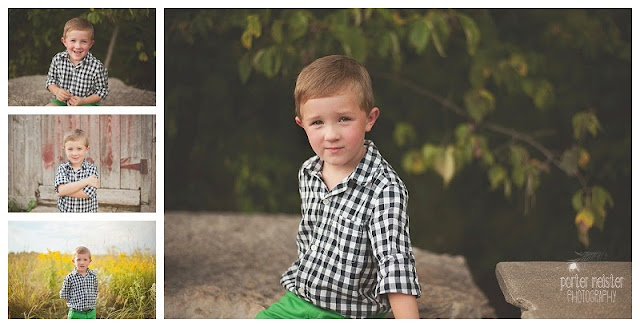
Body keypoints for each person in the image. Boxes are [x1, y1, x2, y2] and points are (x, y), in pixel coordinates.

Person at [256, 55, 421, 319]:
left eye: (344, 119)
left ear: (369, 118)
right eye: (317, 122)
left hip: (350, 312)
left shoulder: (383, 188)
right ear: (302, 125)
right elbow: (309, 239)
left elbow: (394, 263)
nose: (331, 134)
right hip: (300, 300)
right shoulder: (309, 172)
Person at [45, 17, 109, 106]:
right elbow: (50, 81)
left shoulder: (97, 66)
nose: (78, 46)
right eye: (73, 41)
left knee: (85, 117)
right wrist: (57, 91)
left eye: (84, 42)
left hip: (87, 103)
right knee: (49, 109)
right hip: (62, 102)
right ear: (64, 41)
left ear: (91, 44)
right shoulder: (58, 59)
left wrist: (84, 101)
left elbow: (102, 91)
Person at [55, 129, 99, 212]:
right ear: (64, 150)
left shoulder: (92, 168)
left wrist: (64, 191)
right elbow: (61, 190)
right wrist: (86, 181)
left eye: (79, 148)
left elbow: (86, 194)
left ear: (86, 149)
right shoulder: (62, 168)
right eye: (70, 149)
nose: (74, 153)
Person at [60, 246, 98, 319]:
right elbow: (64, 294)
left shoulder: (93, 275)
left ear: (90, 261)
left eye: (85, 259)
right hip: (76, 313)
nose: (82, 262)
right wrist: (73, 303)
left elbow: (95, 290)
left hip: (91, 312)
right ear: (73, 261)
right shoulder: (70, 277)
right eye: (78, 259)